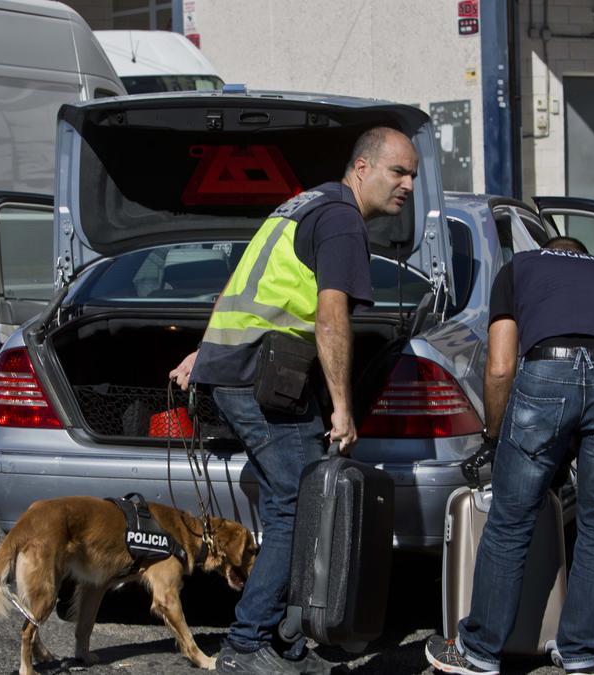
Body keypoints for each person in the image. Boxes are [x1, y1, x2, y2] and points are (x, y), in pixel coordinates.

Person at [169, 127, 418, 674]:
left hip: (243, 368)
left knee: (301, 502)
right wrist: (343, 406)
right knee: (298, 506)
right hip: (261, 375)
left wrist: (205, 353)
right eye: (397, 172)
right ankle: (246, 643)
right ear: (362, 168)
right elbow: (331, 316)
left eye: (413, 176)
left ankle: (283, 641)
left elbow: (240, 284)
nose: (407, 186)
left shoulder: (303, 205)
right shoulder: (341, 219)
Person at [425, 236, 594, 675]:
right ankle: (583, 654)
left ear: (551, 251)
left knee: (511, 517)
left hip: (549, 370)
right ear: (584, 259)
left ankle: (479, 651)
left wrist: (495, 436)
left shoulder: (521, 268)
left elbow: (501, 366)